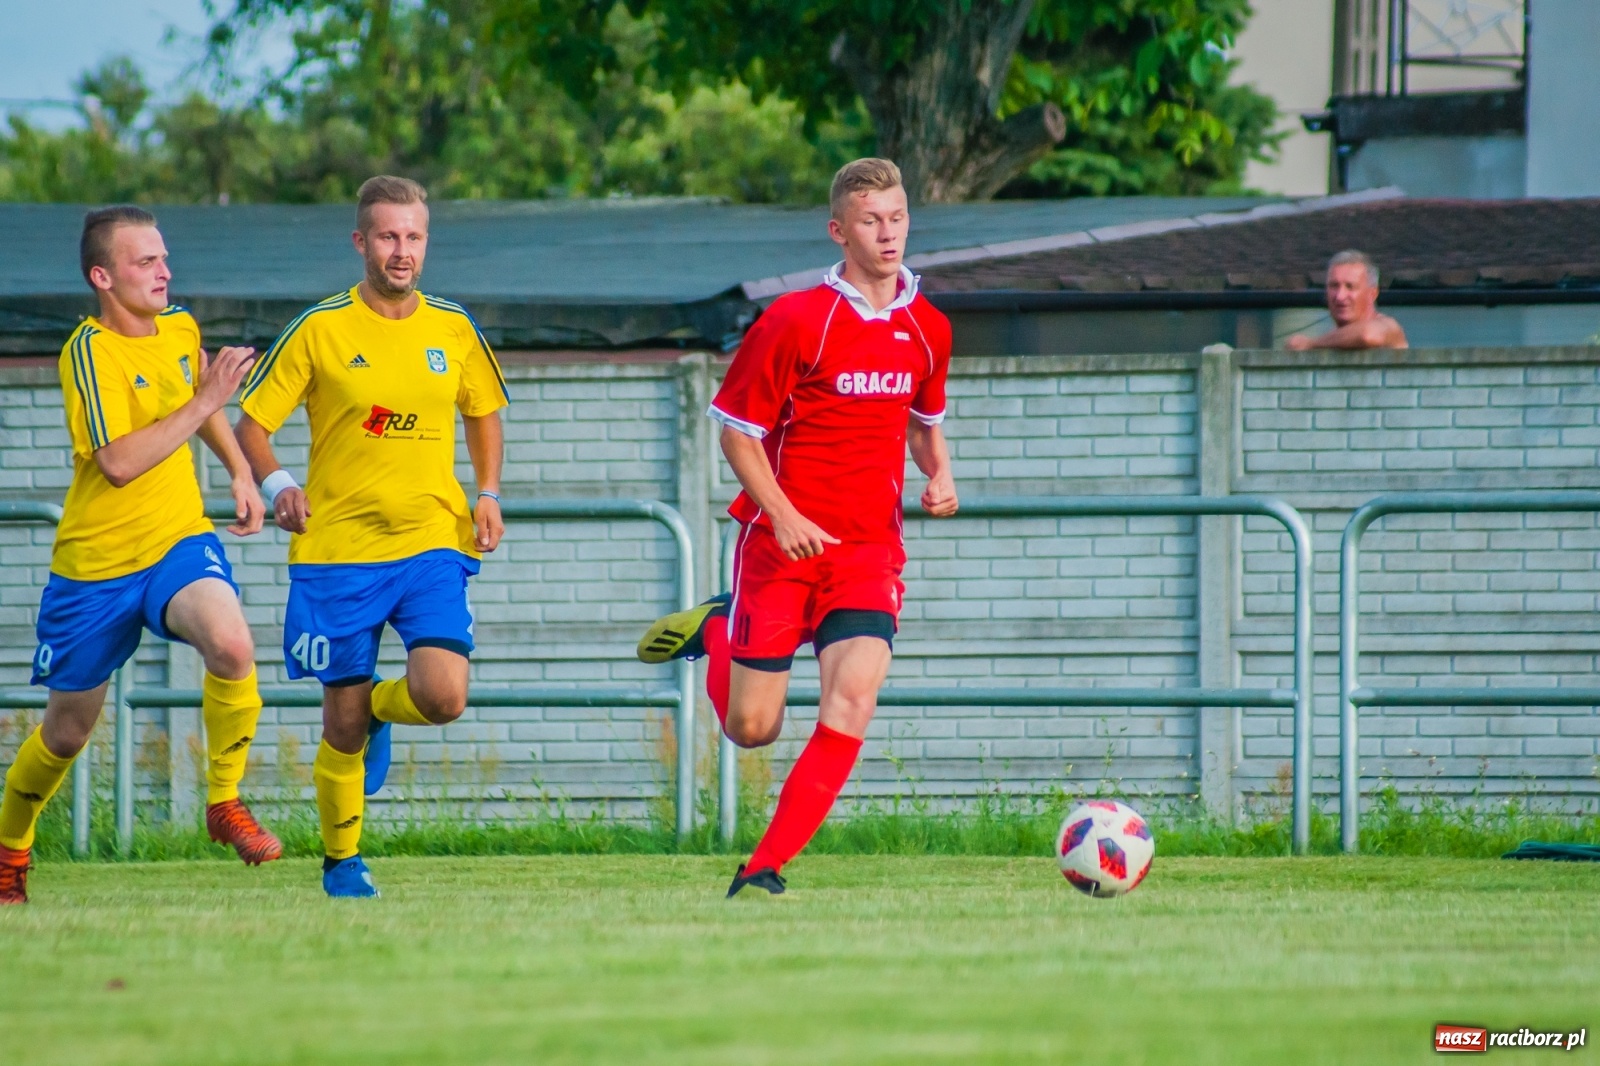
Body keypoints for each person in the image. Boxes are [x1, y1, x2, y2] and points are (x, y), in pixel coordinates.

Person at [636, 158, 958, 897]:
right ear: (839, 230)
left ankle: (764, 866)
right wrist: (782, 515)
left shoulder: (929, 327)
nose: (888, 233)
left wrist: (940, 472)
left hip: (868, 554)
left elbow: (924, 425)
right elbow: (736, 434)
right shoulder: (794, 320)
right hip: (779, 551)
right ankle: (717, 629)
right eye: (871, 220)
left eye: (898, 218)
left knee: (854, 699)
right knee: (753, 728)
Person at [234, 175, 508, 899]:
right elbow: (251, 426)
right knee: (343, 725)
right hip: (338, 553)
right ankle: (342, 861)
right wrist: (277, 487)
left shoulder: (453, 326)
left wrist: (486, 491)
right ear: (361, 242)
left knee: (444, 696)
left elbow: (482, 410)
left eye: (414, 236)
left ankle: (386, 711)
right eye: (388, 236)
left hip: (431, 541)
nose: (402, 250)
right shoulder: (320, 327)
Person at [0, 207, 279, 904]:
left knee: (233, 646)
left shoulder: (181, 328)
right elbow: (120, 463)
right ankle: (10, 846)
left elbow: (198, 397)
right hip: (95, 568)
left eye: (163, 258)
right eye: (145, 262)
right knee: (65, 735)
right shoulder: (86, 353)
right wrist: (207, 396)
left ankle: (222, 803)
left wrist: (240, 470)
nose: (165, 272)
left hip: (176, 540)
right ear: (103, 276)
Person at [1286, 249, 1409, 350]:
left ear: (1372, 293)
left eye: (1350, 287)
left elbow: (1367, 335)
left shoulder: (1389, 327)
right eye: (1334, 286)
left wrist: (1310, 344)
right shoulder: (1331, 340)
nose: (1340, 296)